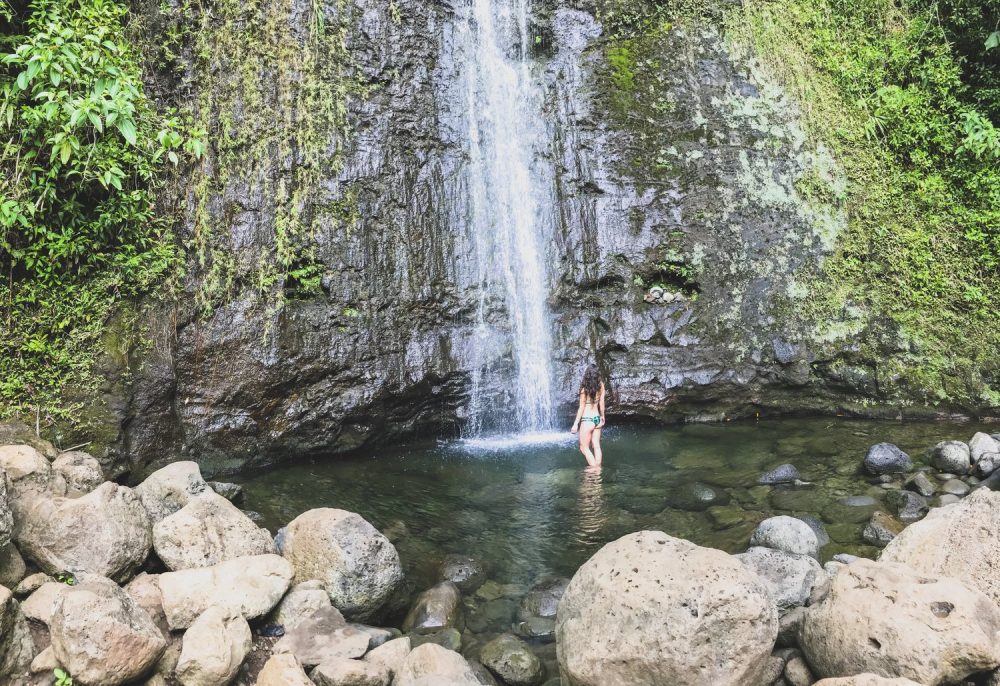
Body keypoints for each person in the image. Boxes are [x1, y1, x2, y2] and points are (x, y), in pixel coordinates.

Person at [570, 364, 605, 468]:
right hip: (597, 419)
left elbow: (581, 408)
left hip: (587, 420)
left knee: (583, 447)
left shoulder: (584, 390)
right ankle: (598, 469)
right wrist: (602, 416)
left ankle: (594, 470)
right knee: (596, 446)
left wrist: (575, 424)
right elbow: (601, 403)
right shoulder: (601, 385)